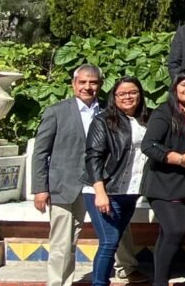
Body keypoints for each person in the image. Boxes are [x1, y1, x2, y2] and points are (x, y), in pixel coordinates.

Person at [32, 65, 142, 286]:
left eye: (93, 82)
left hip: (103, 185)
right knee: (63, 242)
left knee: (118, 233)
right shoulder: (56, 112)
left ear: (100, 85)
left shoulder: (110, 110)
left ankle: (127, 269)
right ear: (74, 84)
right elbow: (40, 152)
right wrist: (40, 189)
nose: (87, 87)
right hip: (66, 186)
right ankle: (59, 282)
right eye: (82, 82)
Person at [83, 77, 150, 286]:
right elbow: (93, 157)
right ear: (115, 97)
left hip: (130, 193)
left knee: (113, 241)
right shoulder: (104, 120)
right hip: (104, 191)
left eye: (132, 92)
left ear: (140, 94)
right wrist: (100, 192)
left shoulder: (148, 119)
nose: (128, 97)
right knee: (109, 242)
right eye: (122, 94)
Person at [142, 70, 185, 286]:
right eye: (184, 84)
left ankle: (160, 280)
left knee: (168, 234)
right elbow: (148, 145)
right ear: (175, 87)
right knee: (176, 230)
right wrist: (178, 159)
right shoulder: (164, 112)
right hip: (164, 184)